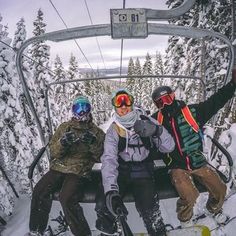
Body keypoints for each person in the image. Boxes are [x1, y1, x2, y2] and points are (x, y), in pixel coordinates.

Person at [151, 70, 236, 227]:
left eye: (168, 99)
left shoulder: (192, 112)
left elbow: (215, 102)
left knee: (220, 188)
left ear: (173, 96)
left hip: (197, 161)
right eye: (160, 103)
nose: (166, 105)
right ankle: (185, 218)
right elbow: (143, 137)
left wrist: (232, 86)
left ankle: (213, 209)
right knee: (189, 194)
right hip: (177, 166)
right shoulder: (157, 120)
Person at [95, 89, 175, 236]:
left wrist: (157, 131)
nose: (124, 106)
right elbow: (109, 160)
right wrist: (112, 190)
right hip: (122, 171)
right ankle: (111, 230)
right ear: (115, 107)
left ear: (132, 102)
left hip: (143, 171)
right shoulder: (114, 130)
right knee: (104, 205)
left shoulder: (146, 121)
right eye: (119, 102)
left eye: (126, 101)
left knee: (150, 210)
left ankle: (157, 232)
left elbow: (169, 147)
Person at [26, 96, 105, 236]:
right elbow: (54, 152)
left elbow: (101, 157)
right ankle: (36, 230)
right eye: (78, 108)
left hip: (79, 170)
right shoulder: (64, 128)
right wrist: (63, 143)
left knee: (66, 198)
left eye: (85, 108)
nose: (81, 112)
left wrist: (93, 144)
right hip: (59, 167)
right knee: (40, 190)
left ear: (90, 111)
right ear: (73, 110)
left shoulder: (96, 132)